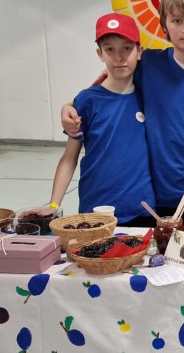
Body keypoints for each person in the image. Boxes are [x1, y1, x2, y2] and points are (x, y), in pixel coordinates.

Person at [62, 0, 184, 229]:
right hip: (159, 199)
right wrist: (69, 106)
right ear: (165, 26)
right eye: (177, 20)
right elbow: (108, 85)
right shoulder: (150, 64)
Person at [50, 13, 155, 224]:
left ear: (139, 51)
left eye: (126, 48)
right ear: (100, 54)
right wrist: (53, 205)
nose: (119, 57)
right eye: (110, 49)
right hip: (96, 209)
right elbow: (69, 158)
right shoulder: (87, 101)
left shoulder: (150, 96)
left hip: (142, 210)